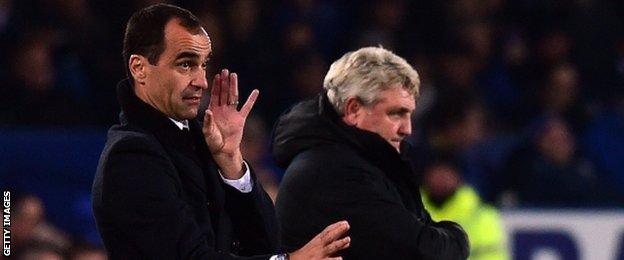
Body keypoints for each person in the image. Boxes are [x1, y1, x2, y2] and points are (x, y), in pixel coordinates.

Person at [92, 4, 350, 260]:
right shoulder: (131, 156)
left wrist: (232, 163)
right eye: (185, 64)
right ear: (139, 68)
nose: (202, 81)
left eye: (203, 65)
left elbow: (267, 243)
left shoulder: (202, 139)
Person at [273, 46, 470, 259]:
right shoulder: (335, 170)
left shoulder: (362, 162)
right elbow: (423, 252)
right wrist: (457, 236)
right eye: (396, 114)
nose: (407, 129)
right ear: (353, 110)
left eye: (409, 114)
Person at [421, 156, 509, 260]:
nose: (441, 180)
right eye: (436, 174)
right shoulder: (409, 211)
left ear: (458, 178)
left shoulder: (483, 216)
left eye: (446, 174)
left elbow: (492, 257)